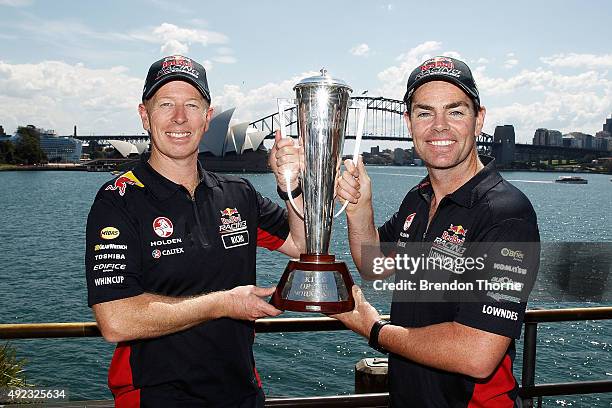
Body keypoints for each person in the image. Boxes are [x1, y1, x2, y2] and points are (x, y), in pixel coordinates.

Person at [85, 55, 304, 407]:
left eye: (192, 105)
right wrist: (221, 304)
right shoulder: (118, 200)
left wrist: (289, 183)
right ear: (144, 115)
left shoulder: (239, 194)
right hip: (155, 396)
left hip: (241, 392)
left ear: (207, 118)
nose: (179, 118)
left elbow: (302, 244)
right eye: (165, 104)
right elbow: (116, 319)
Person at [332, 56, 540, 407]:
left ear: (479, 121)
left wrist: (373, 328)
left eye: (456, 112)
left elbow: (477, 353)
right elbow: (375, 266)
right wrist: (359, 209)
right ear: (409, 123)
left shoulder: (506, 214)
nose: (439, 126)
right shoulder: (418, 198)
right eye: (425, 112)